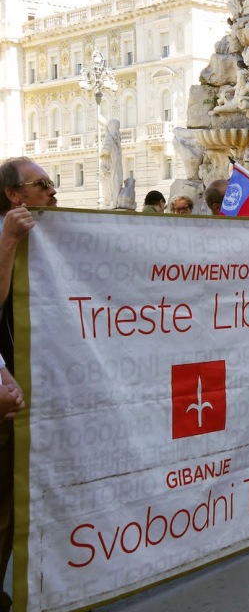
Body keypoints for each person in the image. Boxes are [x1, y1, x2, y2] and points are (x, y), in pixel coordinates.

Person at [0, 157, 56, 603]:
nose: (52, 191)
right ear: (14, 195)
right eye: (41, 185)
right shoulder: (8, 233)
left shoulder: (50, 231)